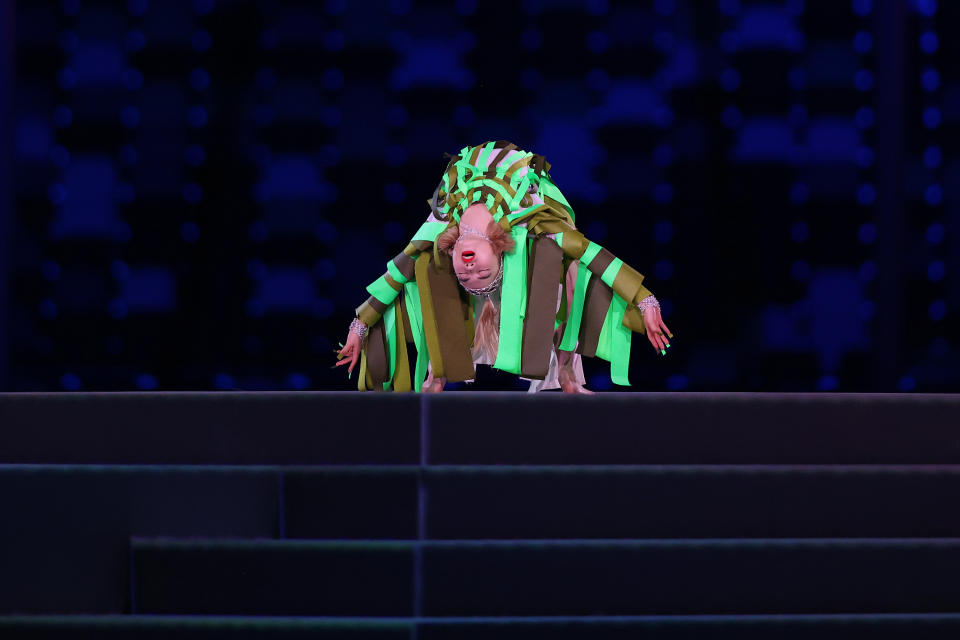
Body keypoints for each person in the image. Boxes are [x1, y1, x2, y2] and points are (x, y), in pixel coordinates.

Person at [336, 140, 673, 393]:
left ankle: (564, 370)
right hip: (527, 194)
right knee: (564, 265)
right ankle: (438, 374)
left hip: (479, 178)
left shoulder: (442, 228)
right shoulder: (533, 225)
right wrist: (644, 300)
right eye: (482, 272)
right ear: (498, 252)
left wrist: (358, 325)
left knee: (426, 266)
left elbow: (395, 274)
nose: (469, 267)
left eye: (468, 274)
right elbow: (594, 255)